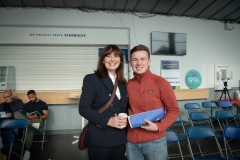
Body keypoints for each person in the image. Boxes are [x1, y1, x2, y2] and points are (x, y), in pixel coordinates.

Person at [126, 44, 180, 160]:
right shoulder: (128, 85)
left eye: (142, 59)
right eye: (135, 59)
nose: (139, 63)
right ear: (130, 62)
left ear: (149, 61)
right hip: (132, 143)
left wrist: (159, 126)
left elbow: (174, 110)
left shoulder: (160, 83)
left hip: (155, 142)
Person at [79, 45, 128, 160]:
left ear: (120, 60)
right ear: (102, 59)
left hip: (120, 138)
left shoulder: (123, 83)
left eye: (116, 56)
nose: (112, 59)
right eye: (108, 56)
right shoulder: (92, 79)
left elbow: (124, 107)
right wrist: (108, 121)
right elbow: (84, 108)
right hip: (100, 138)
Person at [14, 90, 48, 160]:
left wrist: (37, 117)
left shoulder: (42, 104)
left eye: (32, 97)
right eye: (29, 98)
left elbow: (46, 115)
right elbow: (24, 114)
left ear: (35, 95)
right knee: (16, 113)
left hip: (38, 121)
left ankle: (27, 150)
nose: (31, 99)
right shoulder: (27, 105)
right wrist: (28, 117)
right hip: (31, 122)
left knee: (28, 126)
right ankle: (29, 123)